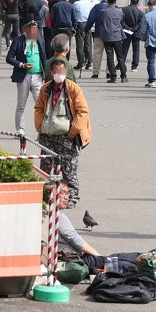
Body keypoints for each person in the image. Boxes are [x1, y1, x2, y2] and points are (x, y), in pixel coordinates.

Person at [34, 59, 92, 207]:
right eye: (56, 72)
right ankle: (48, 196)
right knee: (47, 168)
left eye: (62, 72)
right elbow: (39, 108)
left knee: (69, 169)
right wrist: (40, 126)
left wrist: (73, 132)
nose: (59, 75)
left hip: (66, 135)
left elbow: (82, 111)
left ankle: (71, 198)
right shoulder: (45, 89)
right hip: (48, 134)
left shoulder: (73, 88)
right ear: (51, 73)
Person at [7, 20, 50, 136]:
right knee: (21, 104)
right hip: (23, 76)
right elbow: (9, 58)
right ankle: (20, 129)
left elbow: (44, 57)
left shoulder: (40, 40)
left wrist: (46, 74)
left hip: (37, 76)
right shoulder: (18, 41)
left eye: (35, 29)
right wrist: (21, 65)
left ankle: (42, 128)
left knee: (40, 103)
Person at [56, 181, 102, 258]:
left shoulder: (45, 213)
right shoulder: (58, 216)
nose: (67, 197)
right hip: (72, 259)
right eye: (62, 193)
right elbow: (75, 240)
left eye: (67, 193)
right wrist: (101, 258)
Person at [97, 0, 127, 83]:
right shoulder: (120, 11)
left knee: (110, 57)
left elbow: (102, 21)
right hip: (117, 35)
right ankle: (123, 76)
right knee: (120, 57)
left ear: (107, 1)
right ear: (115, 1)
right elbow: (121, 21)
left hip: (106, 36)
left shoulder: (103, 11)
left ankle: (113, 76)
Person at [84, 0, 110, 78]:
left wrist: (86, 30)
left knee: (97, 53)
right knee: (110, 53)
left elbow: (90, 20)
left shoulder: (97, 7)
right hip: (110, 35)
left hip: (98, 33)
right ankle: (109, 72)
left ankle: (96, 72)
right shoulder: (114, 7)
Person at [72, 0, 95, 70]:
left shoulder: (76, 4)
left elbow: (73, 15)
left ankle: (81, 62)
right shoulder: (90, 3)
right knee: (88, 43)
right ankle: (89, 62)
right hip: (88, 23)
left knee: (79, 44)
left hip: (80, 23)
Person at [121, 0, 145, 72]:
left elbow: (121, 21)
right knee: (136, 50)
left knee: (124, 49)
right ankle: (134, 66)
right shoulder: (140, 12)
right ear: (138, 2)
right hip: (136, 32)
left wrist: (127, 28)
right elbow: (140, 23)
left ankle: (120, 65)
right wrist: (134, 29)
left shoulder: (124, 9)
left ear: (130, 1)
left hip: (126, 32)